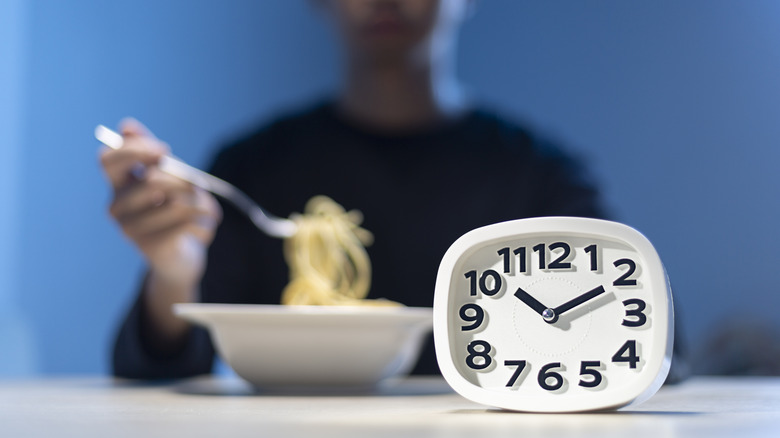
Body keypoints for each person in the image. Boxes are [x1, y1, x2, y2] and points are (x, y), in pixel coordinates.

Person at [103, 0, 612, 379]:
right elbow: (162, 369)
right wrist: (173, 272)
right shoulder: (252, 166)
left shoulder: (541, 177)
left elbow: (616, 329)